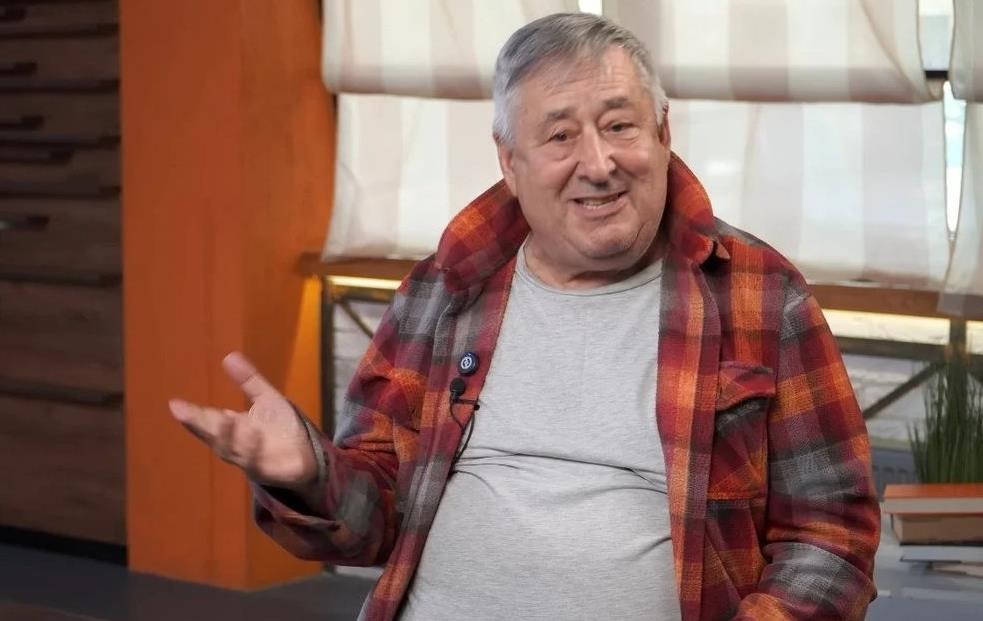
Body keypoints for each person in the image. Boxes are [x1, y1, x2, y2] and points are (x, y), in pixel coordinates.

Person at [169, 12, 880, 621]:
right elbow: (371, 524)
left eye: (619, 125)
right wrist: (308, 472)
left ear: (663, 132)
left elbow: (832, 540)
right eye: (560, 136)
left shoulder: (761, 295)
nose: (597, 163)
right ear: (509, 161)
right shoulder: (444, 290)